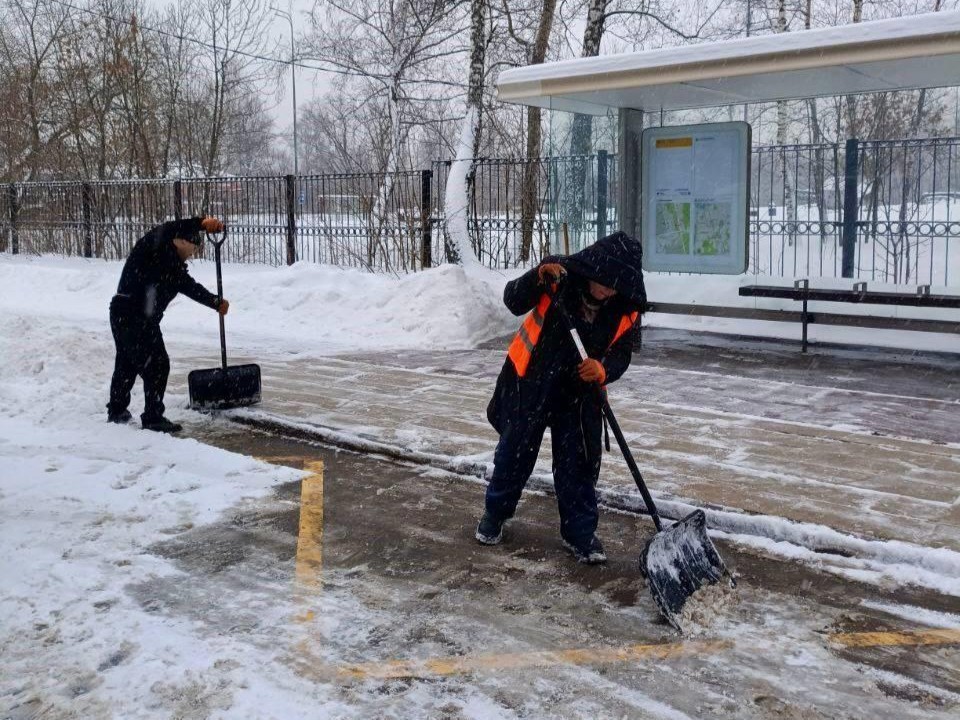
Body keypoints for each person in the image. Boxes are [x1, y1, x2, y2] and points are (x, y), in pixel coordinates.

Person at [476, 230, 646, 564]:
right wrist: (536, 278)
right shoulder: (558, 276)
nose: (607, 290)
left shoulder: (627, 307)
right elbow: (513, 300)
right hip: (534, 380)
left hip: (579, 393)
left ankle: (580, 534)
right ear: (593, 268)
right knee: (514, 455)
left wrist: (603, 369)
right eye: (603, 281)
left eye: (615, 286)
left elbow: (623, 353)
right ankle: (495, 514)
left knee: (578, 465)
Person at [106, 216, 228, 433]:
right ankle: (152, 417)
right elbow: (169, 227)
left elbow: (191, 288)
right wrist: (201, 223)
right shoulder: (153, 247)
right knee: (157, 364)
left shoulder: (174, 268)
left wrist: (215, 302)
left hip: (132, 316)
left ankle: (117, 410)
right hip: (131, 313)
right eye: (193, 246)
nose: (194, 253)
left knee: (127, 362)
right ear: (181, 241)